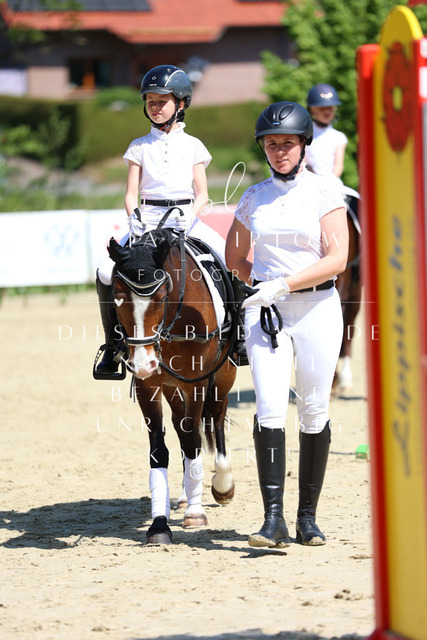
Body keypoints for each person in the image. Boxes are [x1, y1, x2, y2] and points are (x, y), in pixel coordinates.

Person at [225, 101, 348, 548]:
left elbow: (338, 257)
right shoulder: (253, 197)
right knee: (270, 408)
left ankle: (307, 519)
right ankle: (273, 519)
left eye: (287, 143)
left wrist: (285, 283)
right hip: (268, 313)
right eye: (272, 144)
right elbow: (234, 257)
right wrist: (261, 287)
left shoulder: (324, 192)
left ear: (303, 145)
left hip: (317, 309)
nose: (279, 151)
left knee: (314, 409)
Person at [94, 64, 226, 378]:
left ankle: (240, 335)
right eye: (150, 101)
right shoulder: (139, 146)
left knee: (226, 257)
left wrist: (191, 217)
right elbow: (131, 194)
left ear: (180, 103)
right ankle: (112, 346)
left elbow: (203, 194)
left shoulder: (193, 145)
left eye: (162, 101)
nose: (155, 106)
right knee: (105, 271)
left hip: (185, 218)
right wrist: (134, 218)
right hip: (147, 219)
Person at [305, 83, 348, 183]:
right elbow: (303, 160)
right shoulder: (305, 133)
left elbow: (338, 166)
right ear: (312, 109)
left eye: (330, 108)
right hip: (309, 180)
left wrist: (328, 183)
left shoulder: (339, 137)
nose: (327, 112)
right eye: (322, 108)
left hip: (331, 182)